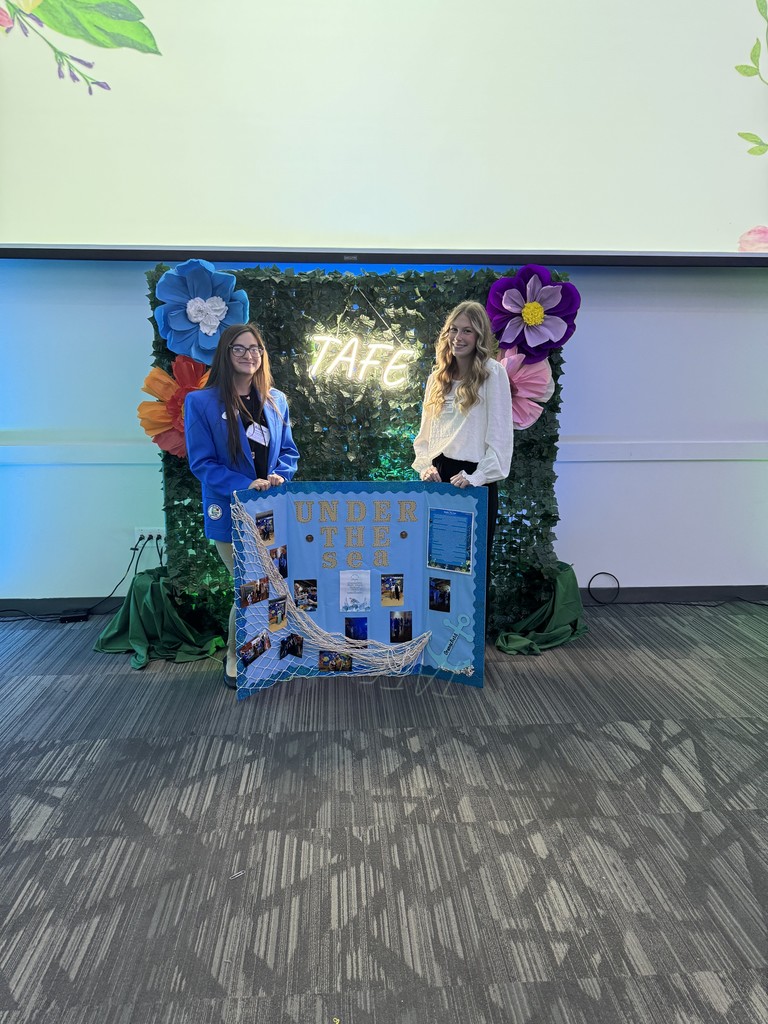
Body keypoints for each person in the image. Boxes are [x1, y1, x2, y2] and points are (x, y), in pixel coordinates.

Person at [185, 322, 299, 688]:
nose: (249, 355)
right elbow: (202, 463)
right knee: (249, 584)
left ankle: (272, 650)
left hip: (271, 510)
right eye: (240, 348)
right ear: (226, 353)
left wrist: (280, 475)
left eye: (255, 349)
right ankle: (236, 655)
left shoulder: (276, 400)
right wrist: (245, 484)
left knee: (275, 585)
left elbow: (289, 453)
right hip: (230, 510)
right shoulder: (200, 402)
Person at [412, 300, 513, 602]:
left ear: (479, 336)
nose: (458, 337)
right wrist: (425, 466)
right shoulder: (437, 378)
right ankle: (439, 643)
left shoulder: (493, 374)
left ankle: (471, 647)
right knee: (437, 566)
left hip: (473, 480)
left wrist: (479, 476)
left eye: (467, 331)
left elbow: (500, 435)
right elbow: (425, 437)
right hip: (439, 479)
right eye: (453, 329)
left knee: (473, 569)